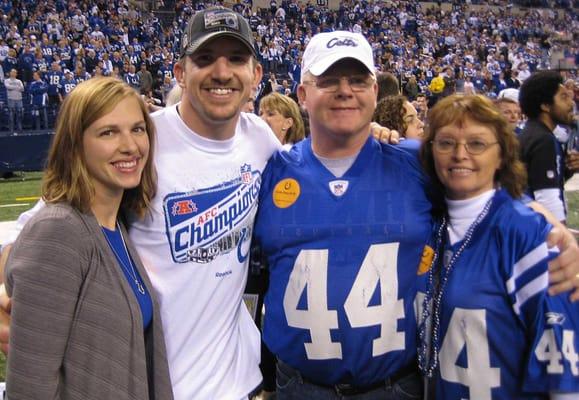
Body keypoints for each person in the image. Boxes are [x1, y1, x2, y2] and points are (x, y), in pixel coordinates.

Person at [253, 31, 579, 400]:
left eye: (358, 80)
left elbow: (486, 201)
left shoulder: (416, 162)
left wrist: (545, 223)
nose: (345, 90)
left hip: (396, 386)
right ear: (302, 94)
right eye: (328, 81)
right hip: (299, 386)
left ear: (375, 92)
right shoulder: (269, 170)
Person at [4, 77, 173, 399]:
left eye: (138, 129)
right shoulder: (59, 231)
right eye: (108, 132)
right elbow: (29, 388)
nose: (130, 145)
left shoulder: (117, 226)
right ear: (75, 144)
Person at [418, 94, 579, 399]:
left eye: (477, 144)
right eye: (446, 143)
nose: (460, 154)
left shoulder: (528, 234)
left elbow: (564, 378)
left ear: (502, 155)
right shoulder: (431, 223)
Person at [519, 71, 575, 223]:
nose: (571, 103)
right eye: (564, 97)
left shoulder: (532, 133)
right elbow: (547, 199)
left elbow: (535, 180)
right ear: (545, 105)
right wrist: (562, 239)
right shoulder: (543, 140)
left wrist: (567, 169)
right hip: (539, 230)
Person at [4, 68, 24, 133]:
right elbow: (8, 87)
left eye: (15, 72)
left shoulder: (19, 81)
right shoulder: (7, 80)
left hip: (19, 99)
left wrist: (13, 87)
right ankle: (11, 130)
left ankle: (19, 129)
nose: (13, 73)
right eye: (12, 72)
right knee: (11, 115)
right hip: (11, 99)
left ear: (16, 74)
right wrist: (17, 87)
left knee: (19, 114)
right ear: (10, 73)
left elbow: (22, 89)